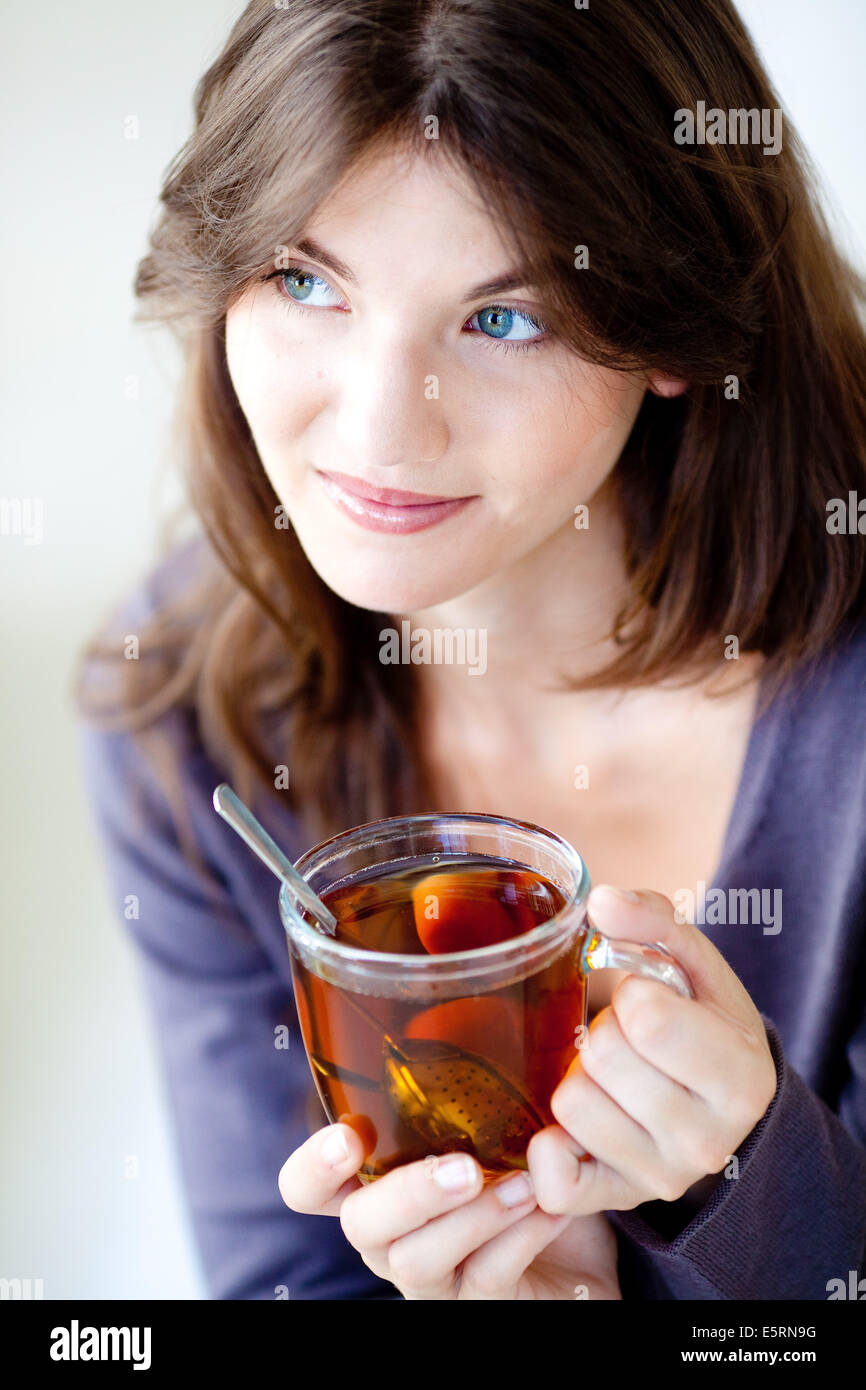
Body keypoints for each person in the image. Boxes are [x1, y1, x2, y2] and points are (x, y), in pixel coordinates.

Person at [77, 0, 866, 1300]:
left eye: (504, 320)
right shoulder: (180, 704)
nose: (382, 431)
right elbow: (278, 1276)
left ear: (670, 332)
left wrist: (754, 1178)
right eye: (303, 279)